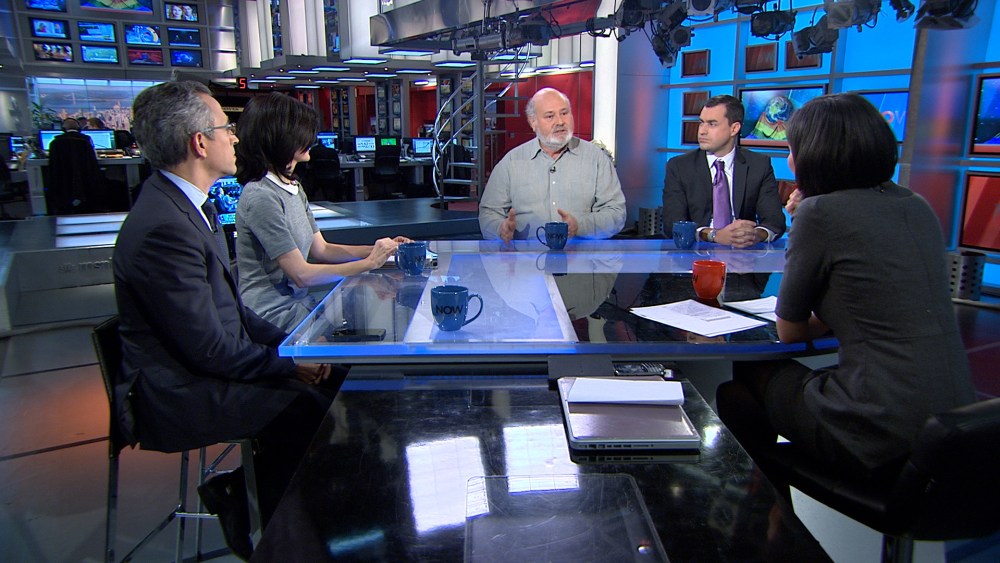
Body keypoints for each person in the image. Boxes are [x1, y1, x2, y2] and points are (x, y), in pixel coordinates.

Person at [113, 81, 335, 560]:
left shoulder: (190, 207)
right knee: (308, 407)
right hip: (178, 389)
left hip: (208, 363)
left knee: (328, 386)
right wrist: (287, 365)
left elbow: (235, 312)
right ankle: (270, 529)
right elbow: (208, 349)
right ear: (199, 142)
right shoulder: (163, 228)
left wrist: (294, 349)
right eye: (225, 128)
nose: (235, 137)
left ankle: (279, 511)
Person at [716, 93, 976, 487]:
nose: (789, 159)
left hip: (880, 423)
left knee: (744, 379)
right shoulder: (916, 204)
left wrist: (805, 218)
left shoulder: (820, 212)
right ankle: (770, 510)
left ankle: (768, 512)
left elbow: (790, 330)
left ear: (814, 155)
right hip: (954, 416)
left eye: (792, 149)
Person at [235, 92, 408, 331]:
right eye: (304, 131)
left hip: (297, 305)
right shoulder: (261, 195)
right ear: (281, 136)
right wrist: (369, 263)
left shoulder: (292, 187)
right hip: (271, 316)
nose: (311, 138)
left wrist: (382, 250)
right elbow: (302, 275)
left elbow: (322, 250)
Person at [479, 87, 626, 242]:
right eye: (550, 116)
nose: (560, 122)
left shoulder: (596, 159)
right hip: (528, 256)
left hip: (581, 256)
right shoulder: (511, 162)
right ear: (533, 122)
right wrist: (500, 229)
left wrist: (580, 226)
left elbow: (616, 213)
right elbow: (488, 213)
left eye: (564, 113)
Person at [663, 94, 785, 248]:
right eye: (701, 123)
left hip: (744, 256)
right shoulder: (679, 166)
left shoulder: (759, 165)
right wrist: (714, 235)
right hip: (696, 255)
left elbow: (775, 222)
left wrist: (754, 234)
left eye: (712, 124)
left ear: (734, 128)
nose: (702, 131)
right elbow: (672, 224)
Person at [46, 117, 101, 214]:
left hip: (63, 183)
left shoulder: (55, 142)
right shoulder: (86, 140)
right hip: (86, 182)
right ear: (79, 129)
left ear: (63, 130)